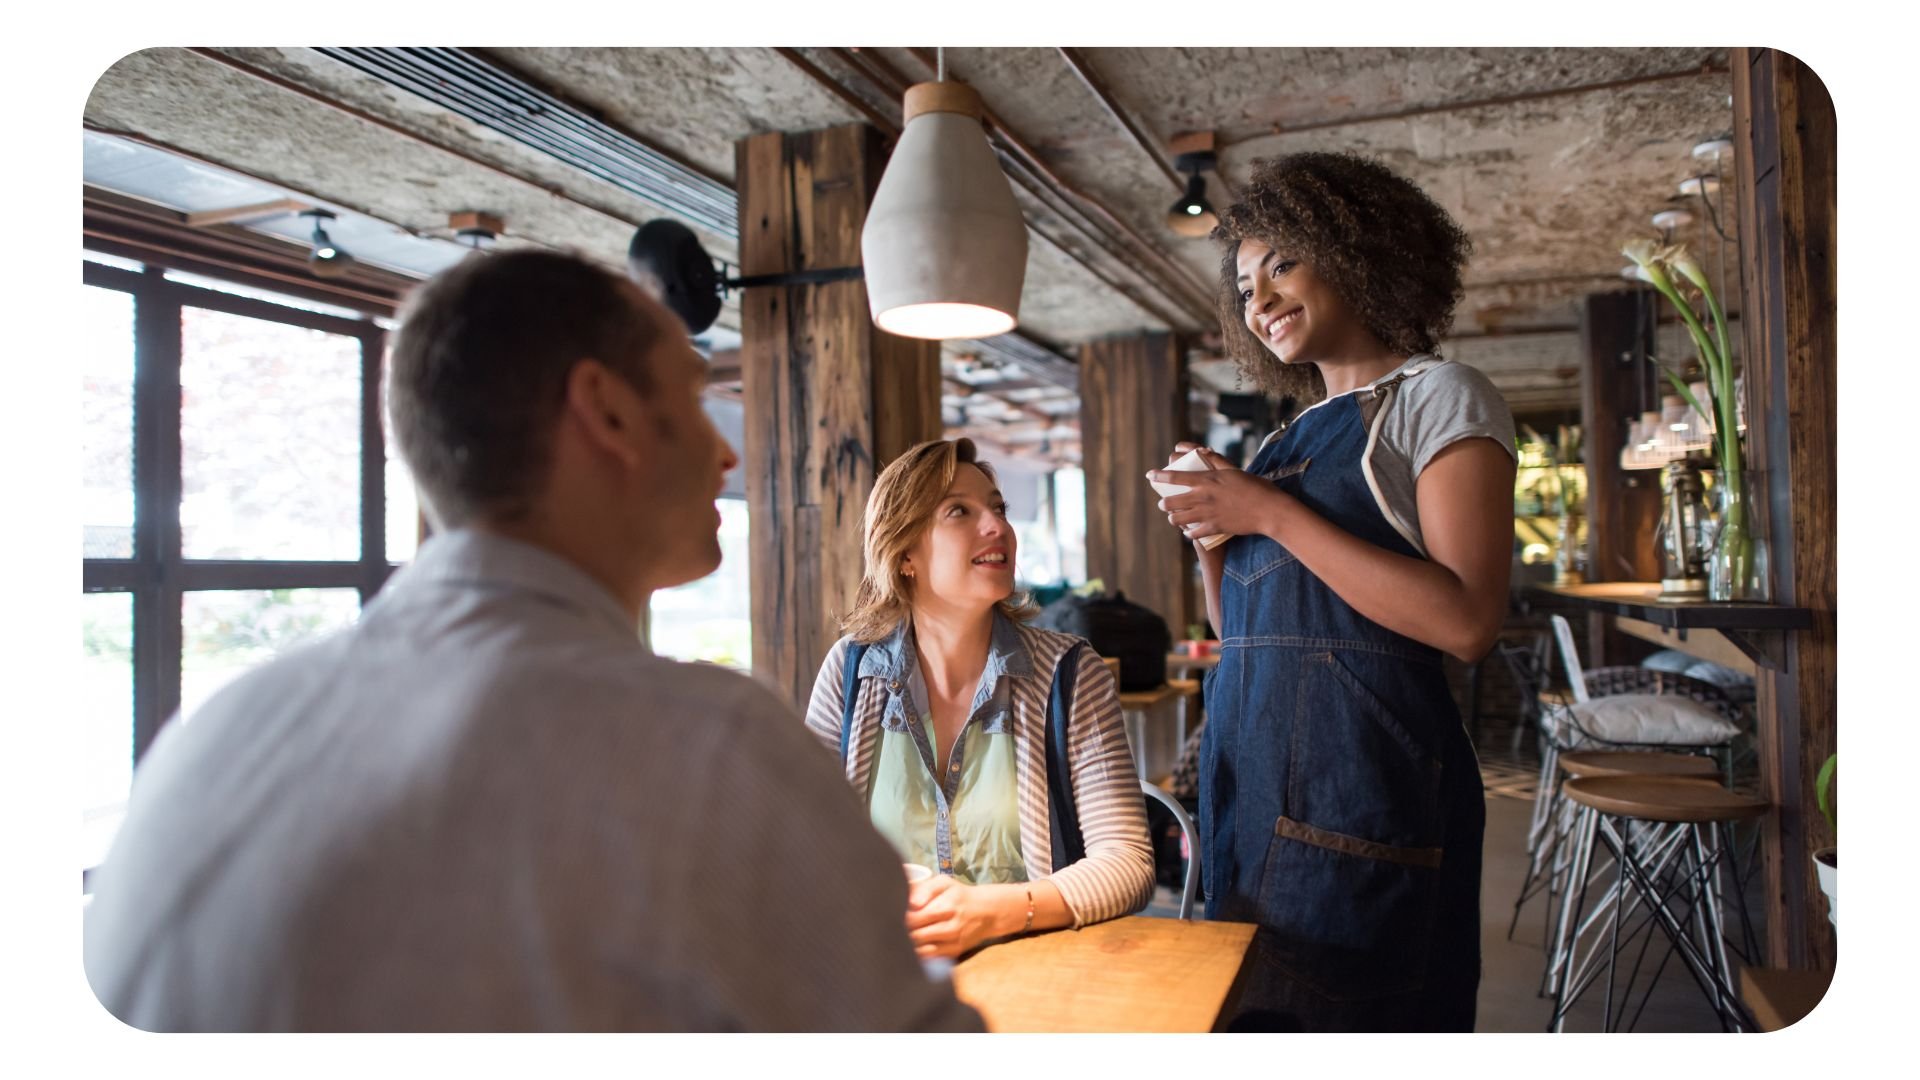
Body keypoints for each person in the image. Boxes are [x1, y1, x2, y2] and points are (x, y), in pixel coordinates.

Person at [83, 250, 983, 1033]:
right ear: (609, 413)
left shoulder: (215, 731)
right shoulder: (698, 747)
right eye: (696, 400)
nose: (727, 456)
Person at [1147, 152, 1516, 1031]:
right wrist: (1213, 531)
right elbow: (1241, 630)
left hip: (1365, 802)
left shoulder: (1439, 398)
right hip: (1250, 792)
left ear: (1357, 252)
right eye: (1243, 286)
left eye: (1282, 263)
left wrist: (1268, 515)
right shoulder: (1281, 444)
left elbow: (1467, 621)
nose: (1259, 298)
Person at [803, 438, 1155, 960]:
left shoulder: (1071, 673)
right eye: (960, 511)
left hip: (1036, 969)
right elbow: (801, 842)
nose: (998, 526)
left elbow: (1127, 861)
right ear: (905, 555)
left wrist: (989, 912)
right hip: (886, 971)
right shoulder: (851, 671)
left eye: (998, 508)